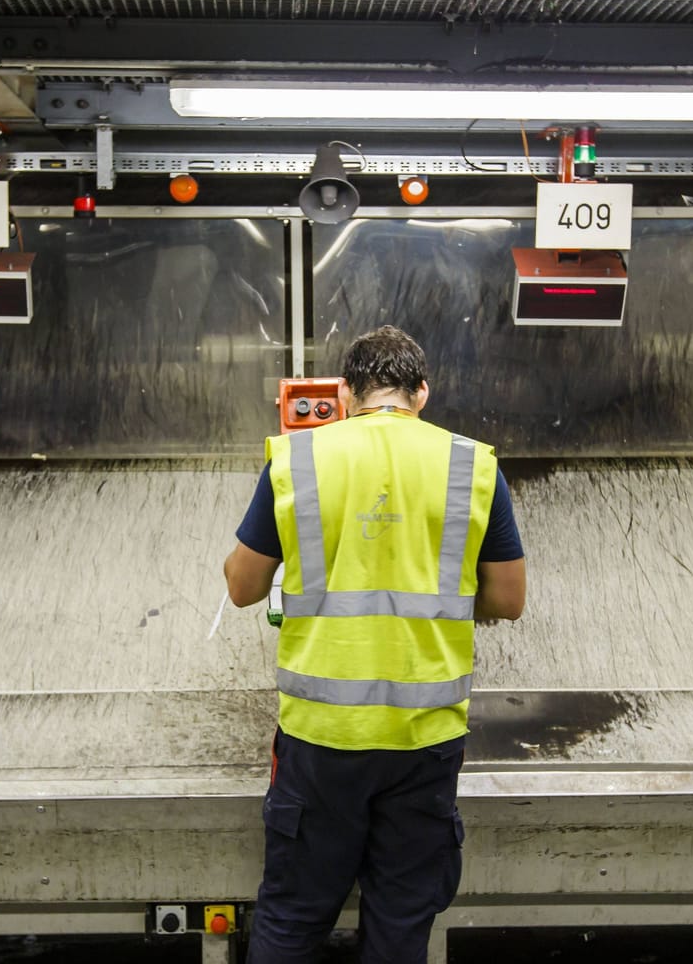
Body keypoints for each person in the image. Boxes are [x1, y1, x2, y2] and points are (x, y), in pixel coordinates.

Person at [222, 324, 527, 964]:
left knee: (292, 918)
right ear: (422, 394)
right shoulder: (471, 465)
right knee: (399, 927)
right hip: (424, 739)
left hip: (323, 737)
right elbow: (508, 598)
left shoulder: (298, 458)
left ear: (344, 392)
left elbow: (242, 585)